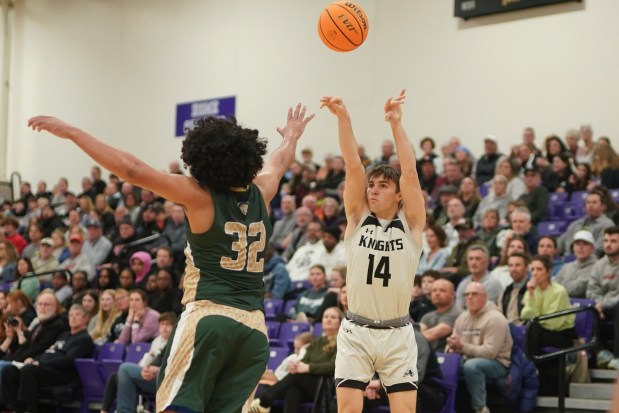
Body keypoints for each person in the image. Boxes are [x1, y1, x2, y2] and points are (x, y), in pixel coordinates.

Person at [27, 103, 314, 412]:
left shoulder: (199, 196)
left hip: (209, 319)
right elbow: (280, 161)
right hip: (255, 332)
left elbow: (132, 170)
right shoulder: (262, 190)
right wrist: (292, 136)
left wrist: (72, 132)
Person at [321, 90, 424, 413]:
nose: (373, 189)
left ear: (398, 195)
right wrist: (344, 119)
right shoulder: (357, 218)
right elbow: (353, 165)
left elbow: (410, 172)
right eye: (372, 185)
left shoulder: (413, 225)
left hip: (397, 332)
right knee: (348, 410)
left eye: (382, 186)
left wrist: (396, 124)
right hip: (356, 331)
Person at [1, 303, 94, 413]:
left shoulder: (83, 338)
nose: (73, 318)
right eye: (71, 315)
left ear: (86, 318)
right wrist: (34, 359)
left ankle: (30, 409)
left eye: (77, 315)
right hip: (45, 369)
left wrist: (40, 364)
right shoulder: (64, 335)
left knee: (29, 370)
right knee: (9, 371)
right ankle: (17, 408)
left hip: (63, 373)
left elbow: (68, 360)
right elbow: (48, 352)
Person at [250, 306, 343, 413]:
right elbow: (304, 361)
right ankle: (266, 397)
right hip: (308, 384)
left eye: (333, 317)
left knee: (299, 375)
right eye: (326, 316)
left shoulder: (342, 342)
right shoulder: (317, 341)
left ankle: (265, 398)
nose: (328, 319)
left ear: (340, 322)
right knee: (292, 391)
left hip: (326, 387)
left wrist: (307, 368)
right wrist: (296, 366)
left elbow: (333, 367)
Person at [447, 282, 513, 413]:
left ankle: (480, 408)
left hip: (498, 363)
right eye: (467, 294)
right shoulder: (462, 317)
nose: (470, 297)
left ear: (485, 297)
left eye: (474, 294)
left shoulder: (495, 318)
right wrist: (451, 348)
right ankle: (446, 405)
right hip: (468, 358)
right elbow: (454, 341)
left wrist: (462, 346)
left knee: (472, 366)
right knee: (445, 362)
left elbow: (490, 353)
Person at [521, 255, 576, 396]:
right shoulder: (532, 289)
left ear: (548, 272)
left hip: (563, 335)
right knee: (522, 329)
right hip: (541, 333)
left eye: (539, 269)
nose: (534, 273)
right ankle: (531, 365)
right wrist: (532, 295)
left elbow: (553, 323)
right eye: (532, 269)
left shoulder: (559, 291)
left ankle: (527, 365)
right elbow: (525, 314)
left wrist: (535, 318)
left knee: (532, 327)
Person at [101, 312, 177, 413]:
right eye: (162, 324)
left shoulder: (176, 341)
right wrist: (147, 368)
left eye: (168, 324)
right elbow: (155, 360)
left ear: (174, 326)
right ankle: (104, 410)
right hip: (151, 374)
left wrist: (157, 370)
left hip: (164, 377)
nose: (164, 328)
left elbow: (176, 365)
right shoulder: (156, 341)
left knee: (125, 368)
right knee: (115, 376)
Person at [420, 278, 461, 352]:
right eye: (434, 291)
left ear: (453, 294)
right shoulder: (427, 316)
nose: (437, 293)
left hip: (447, 357)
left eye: (442, 290)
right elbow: (418, 332)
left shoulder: (457, 313)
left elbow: (431, 335)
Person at [554, 230, 597, 298]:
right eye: (577, 244)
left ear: (592, 248)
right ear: (573, 247)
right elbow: (552, 286)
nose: (581, 247)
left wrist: (562, 285)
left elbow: (578, 289)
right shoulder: (567, 266)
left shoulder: (597, 267)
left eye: (585, 244)